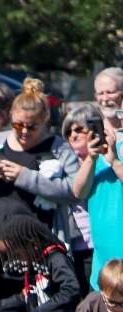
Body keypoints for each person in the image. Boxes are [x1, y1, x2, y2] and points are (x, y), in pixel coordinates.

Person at [0, 79, 79, 237]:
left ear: (44, 119)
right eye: (17, 125)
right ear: (10, 117)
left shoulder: (58, 147)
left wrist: (25, 177)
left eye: (32, 126)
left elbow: (74, 192)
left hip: (38, 237)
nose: (24, 131)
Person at [74, 96, 123, 290]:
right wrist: (92, 158)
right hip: (103, 263)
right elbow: (79, 191)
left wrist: (116, 163)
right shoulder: (108, 150)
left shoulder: (113, 156)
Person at [60, 104, 102, 288]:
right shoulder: (65, 165)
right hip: (75, 246)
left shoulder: (105, 160)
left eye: (79, 129)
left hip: (99, 243)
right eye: (69, 132)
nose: (73, 135)